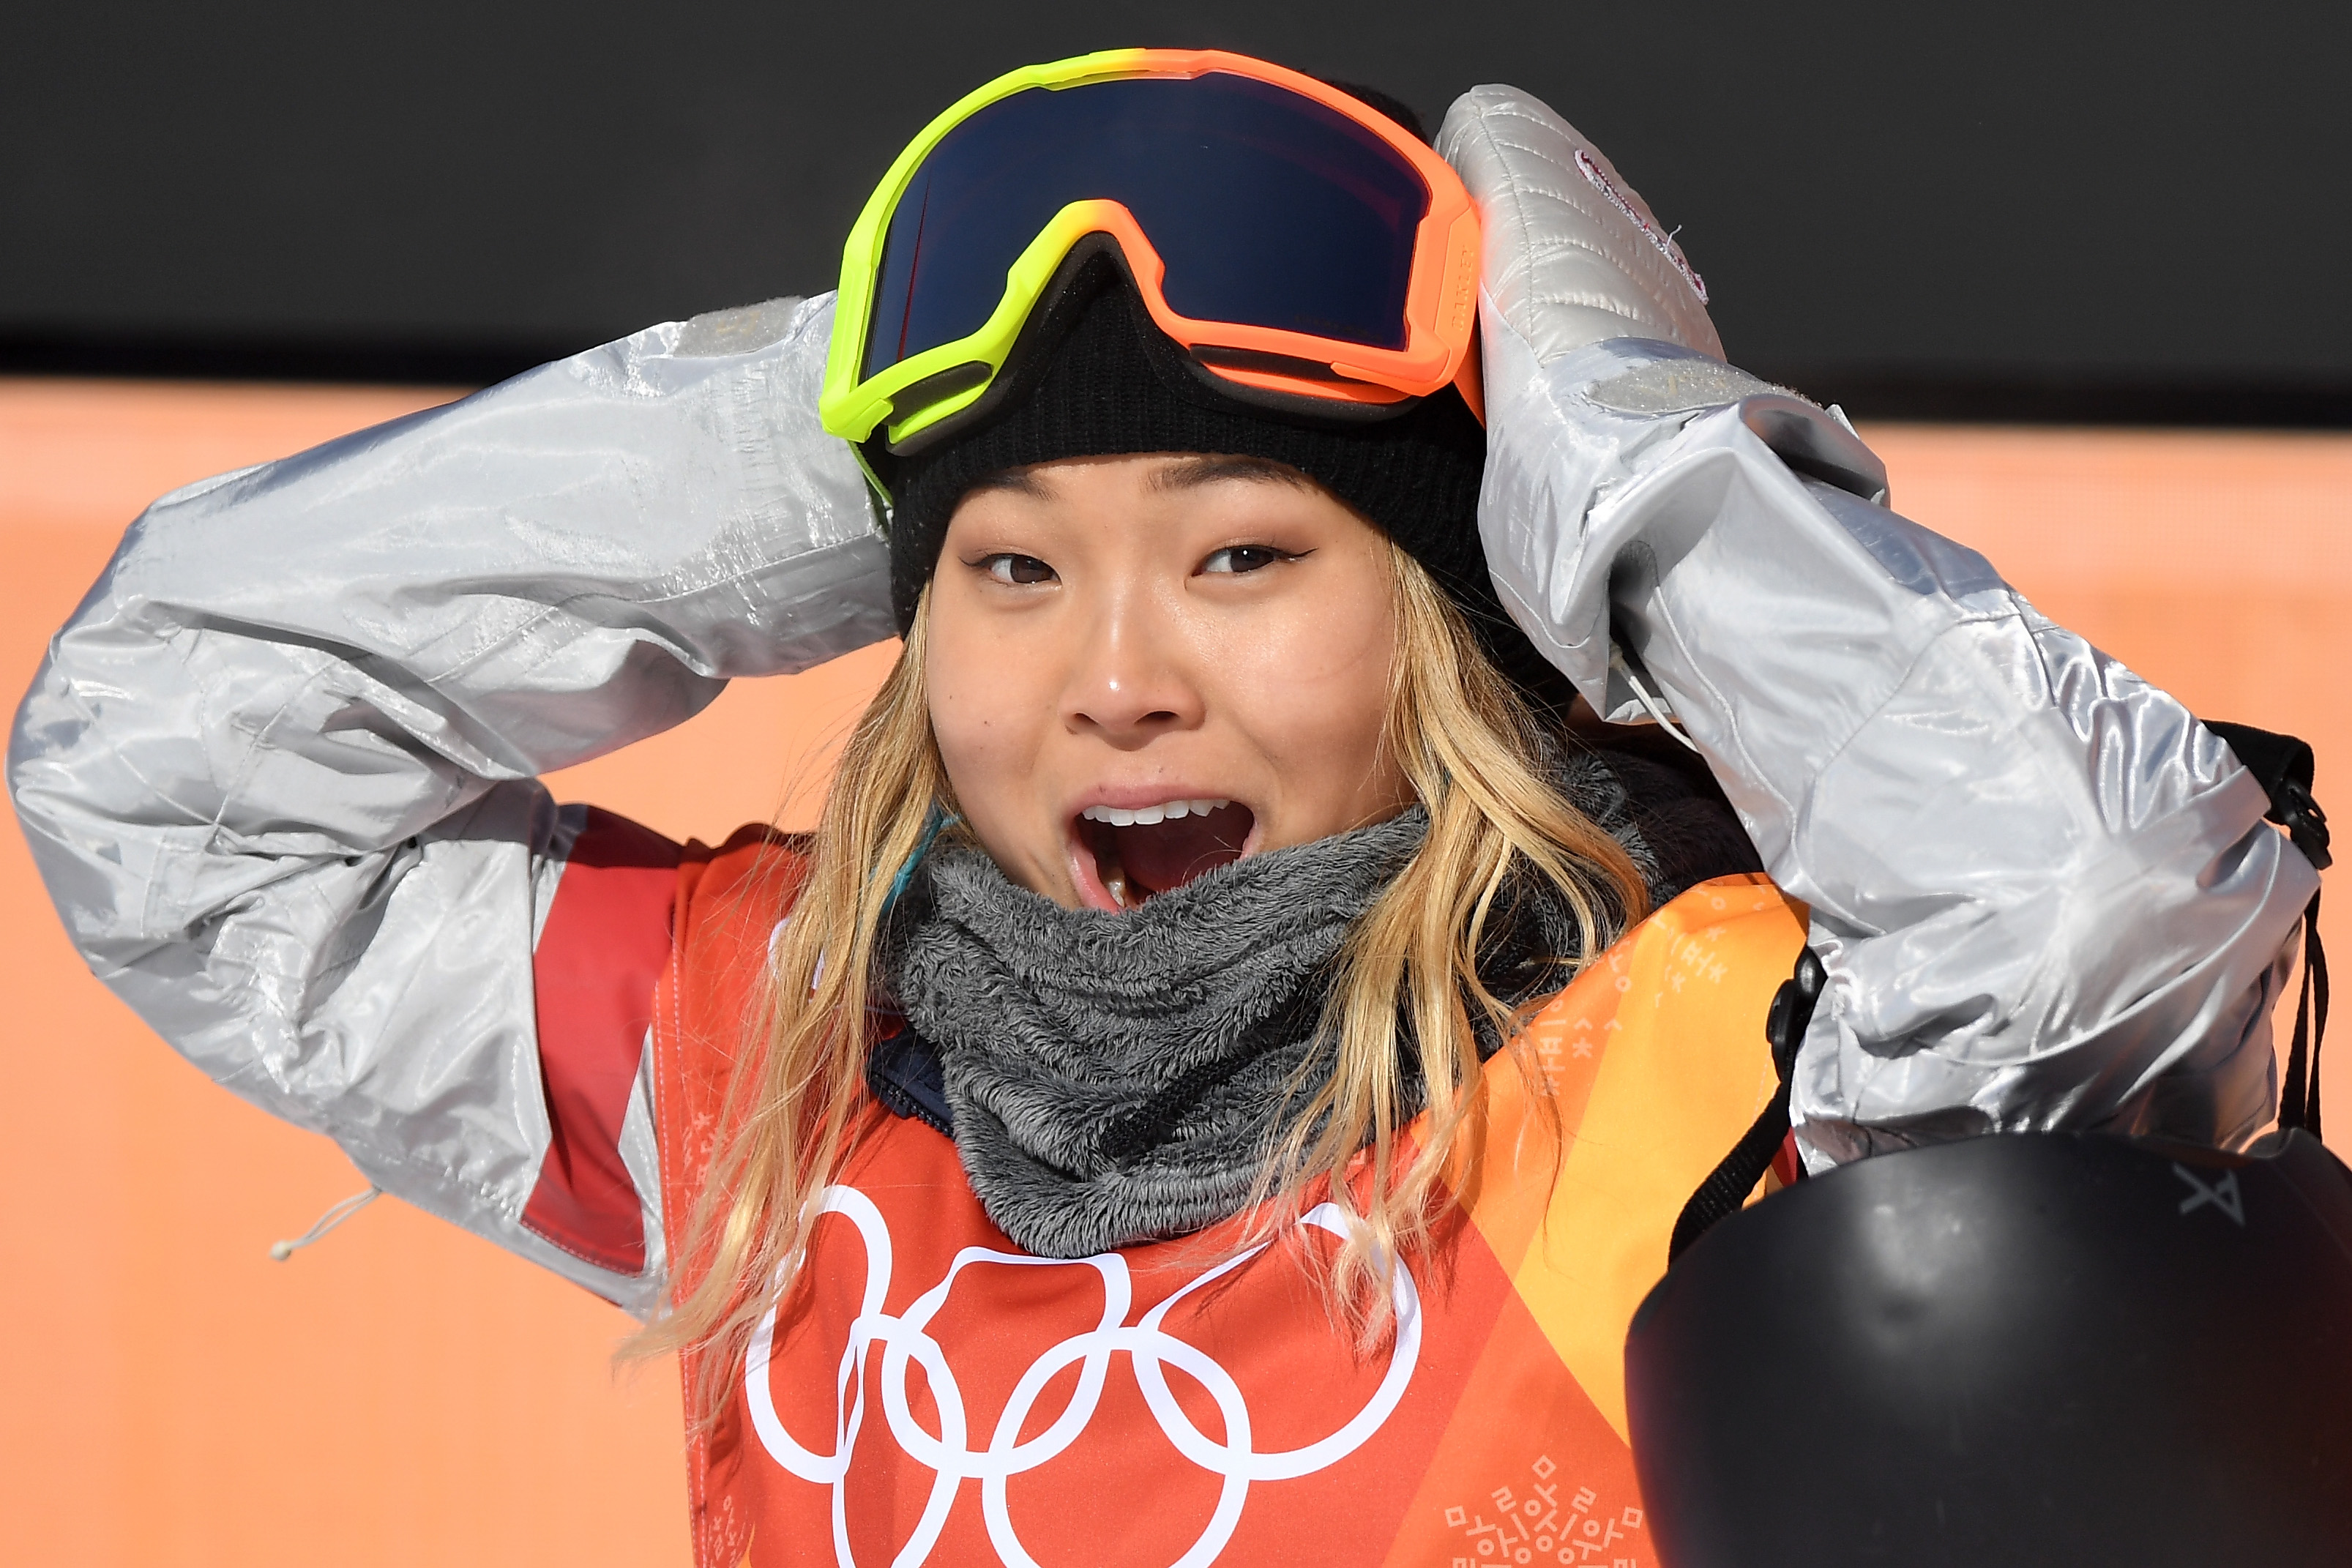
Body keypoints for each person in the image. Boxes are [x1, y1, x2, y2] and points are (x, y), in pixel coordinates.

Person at [10, 49, 2315, 1567]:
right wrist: (852, 435)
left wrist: (1609, 429)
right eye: (1009, 577)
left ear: (1453, 600)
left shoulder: (1733, 1071)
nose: (1114, 681)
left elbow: (2100, 904)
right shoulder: (786, 1054)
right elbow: (171, 745)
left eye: (1243, 555)